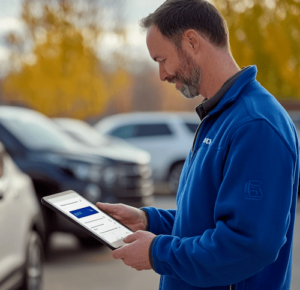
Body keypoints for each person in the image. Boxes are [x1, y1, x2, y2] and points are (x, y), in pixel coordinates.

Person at [97, 0, 299, 289]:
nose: (162, 75)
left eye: (162, 59)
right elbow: (207, 220)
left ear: (191, 41)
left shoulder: (255, 125)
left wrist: (157, 253)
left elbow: (249, 244)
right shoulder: (219, 116)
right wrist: (147, 220)